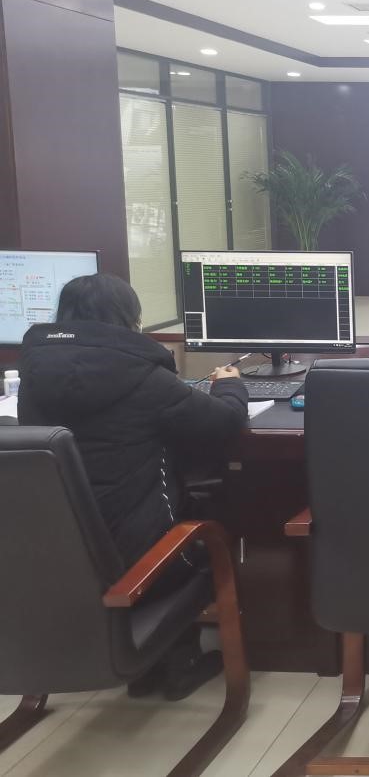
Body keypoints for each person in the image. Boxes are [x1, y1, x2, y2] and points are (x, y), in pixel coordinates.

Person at [18, 273, 248, 701]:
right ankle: (178, 663)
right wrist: (230, 384)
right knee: (206, 529)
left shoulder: (33, 378)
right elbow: (226, 423)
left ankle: (157, 663)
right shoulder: (143, 377)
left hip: (57, 566)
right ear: (130, 320)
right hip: (142, 565)